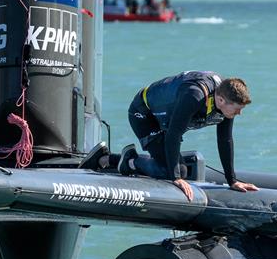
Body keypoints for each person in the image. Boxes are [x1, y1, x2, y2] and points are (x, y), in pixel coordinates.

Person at [80, 71, 258, 200]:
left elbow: (224, 139)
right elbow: (173, 134)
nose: (239, 114)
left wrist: (232, 181)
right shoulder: (194, 96)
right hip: (144, 114)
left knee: (185, 168)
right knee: (171, 172)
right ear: (220, 100)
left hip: (165, 122)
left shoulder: (224, 99)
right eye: (237, 109)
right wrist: (176, 178)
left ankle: (107, 159)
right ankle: (129, 161)